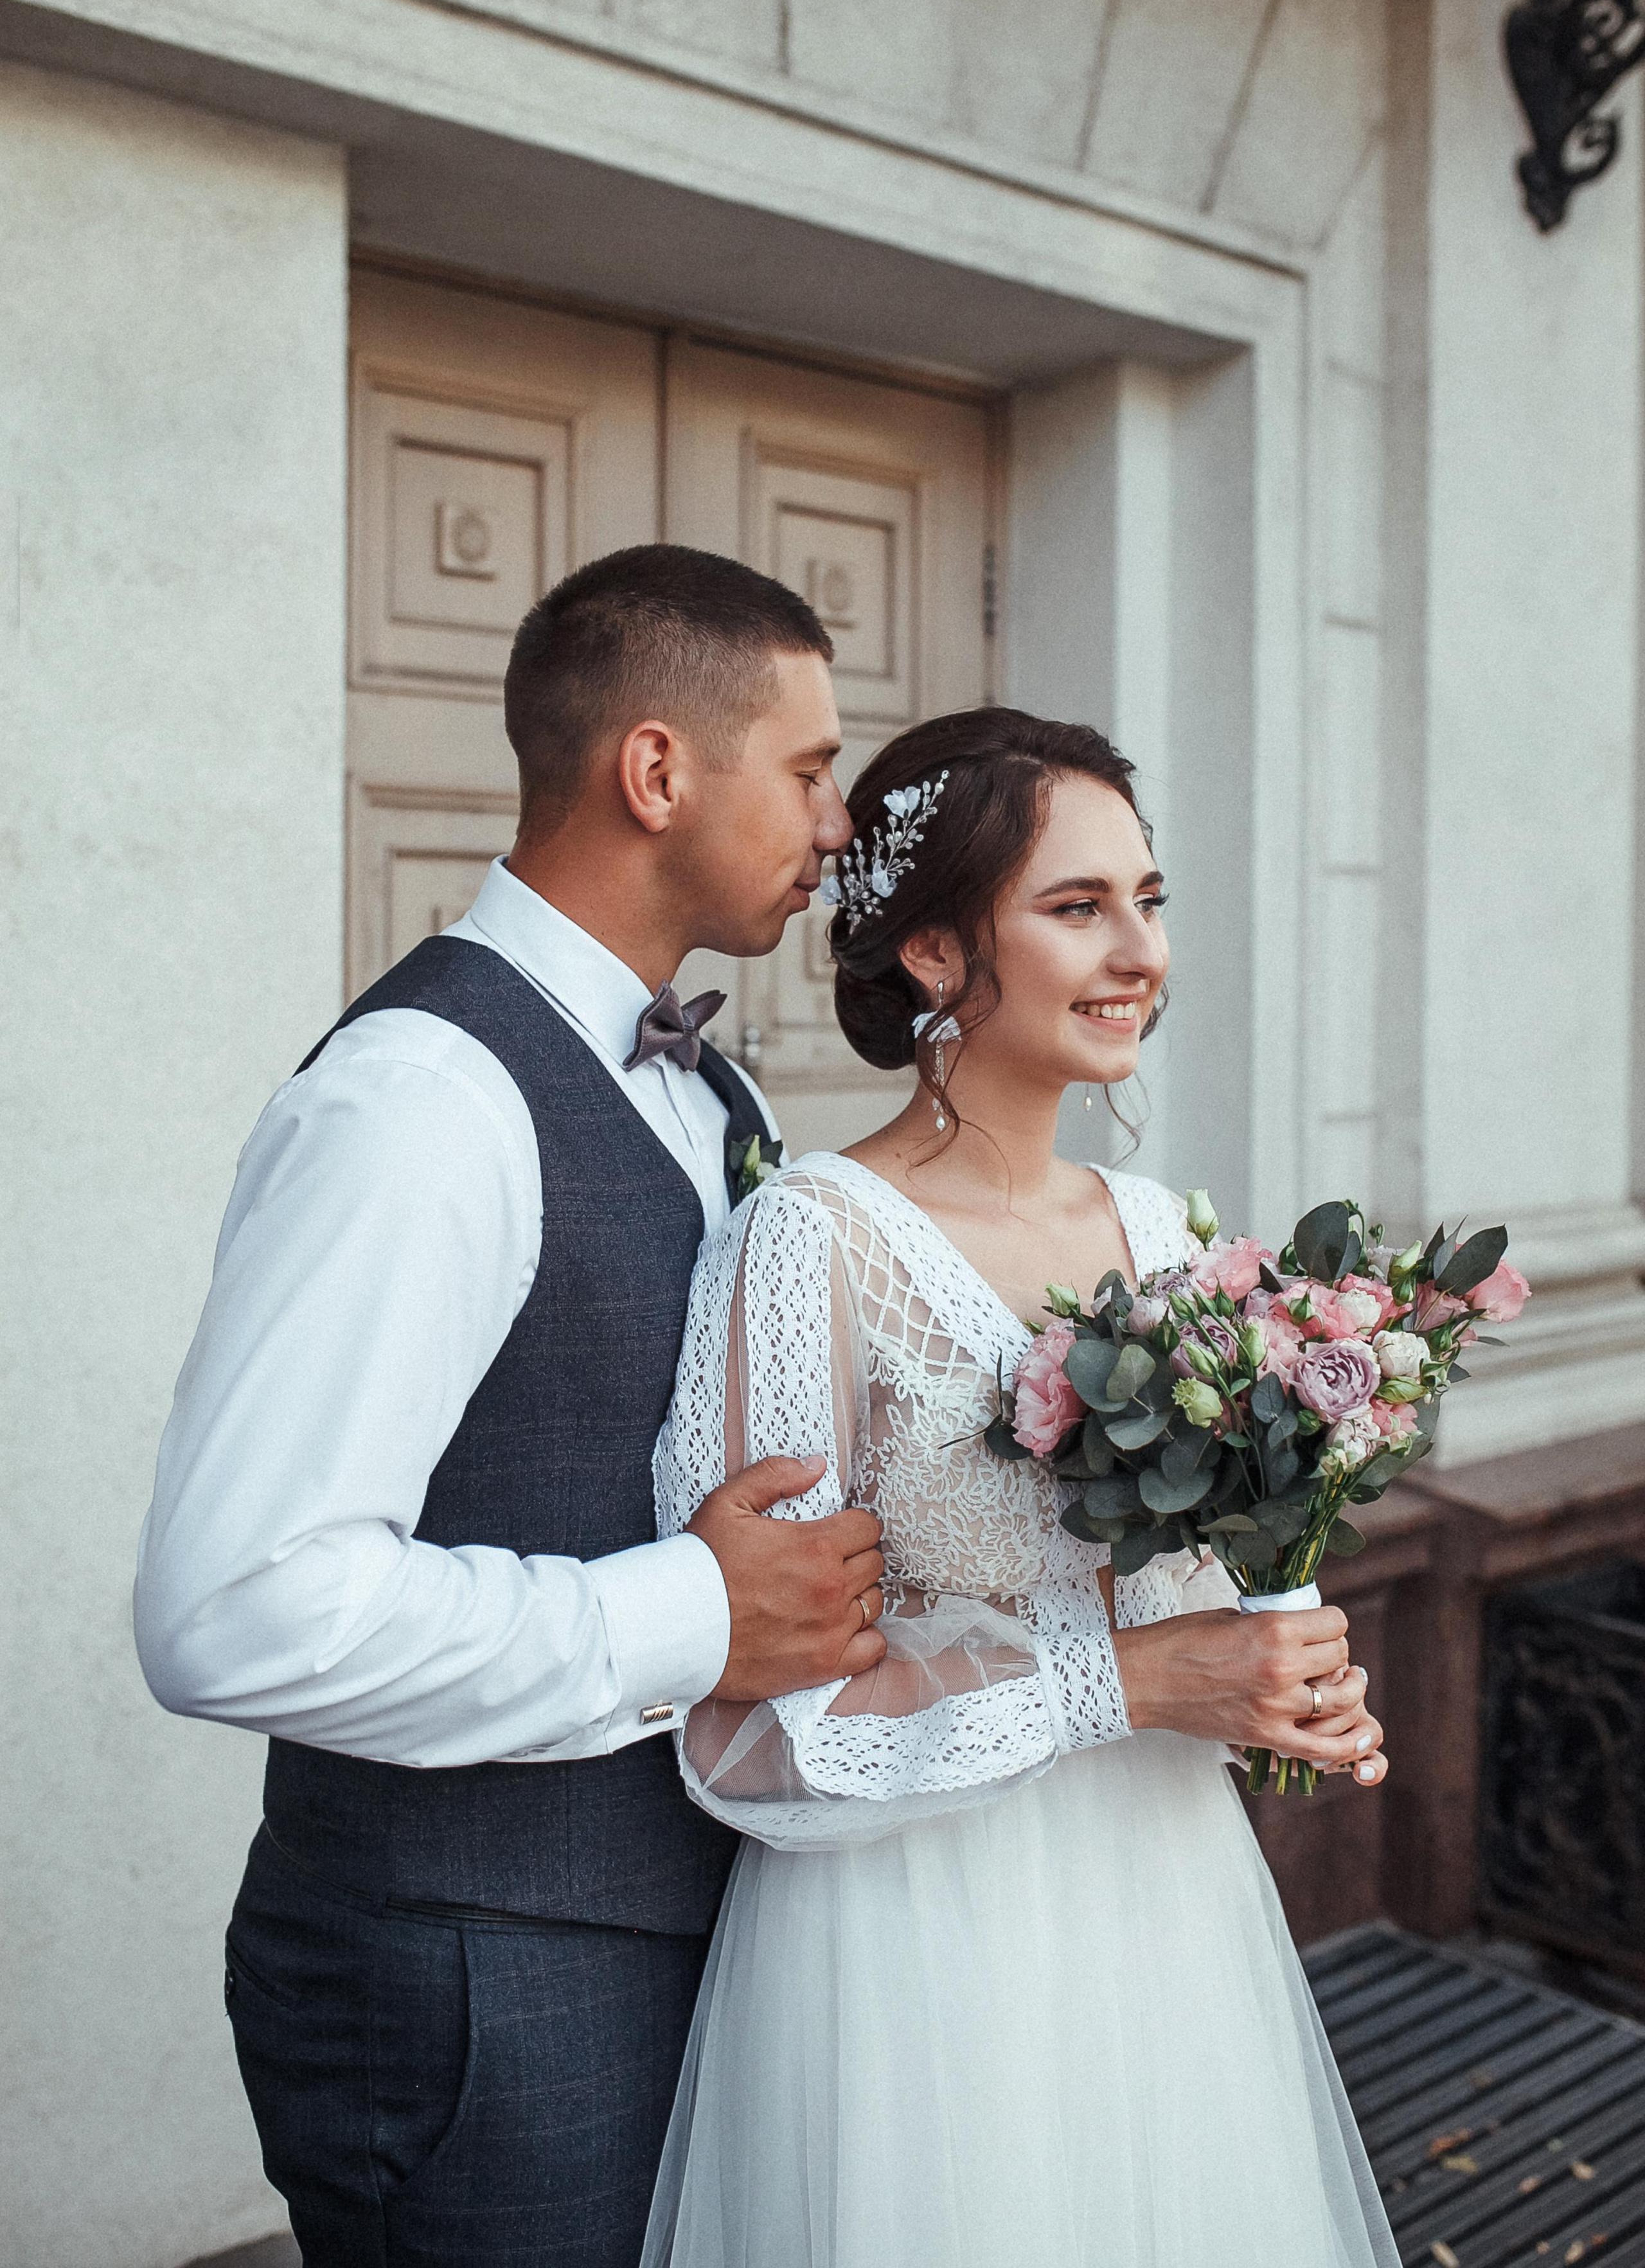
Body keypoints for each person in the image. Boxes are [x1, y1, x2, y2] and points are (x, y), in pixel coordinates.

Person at [134, 544, 892, 2268]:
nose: (838, 821)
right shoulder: (420, 1102)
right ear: (655, 771)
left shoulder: (710, 1088)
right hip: (467, 1988)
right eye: (808, 767)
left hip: (669, 1931)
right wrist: (693, 1610)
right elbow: (235, 1613)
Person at [645, 706, 1400, 2268]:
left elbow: (1207, 1584)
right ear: (930, 955)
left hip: (1170, 1912)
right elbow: (751, 1734)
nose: (1139, 951)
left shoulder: (1164, 1230)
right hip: (922, 1950)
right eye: (1075, 908)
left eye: (1149, 899)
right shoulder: (811, 1243)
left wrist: (1283, 1667)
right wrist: (1126, 1682)